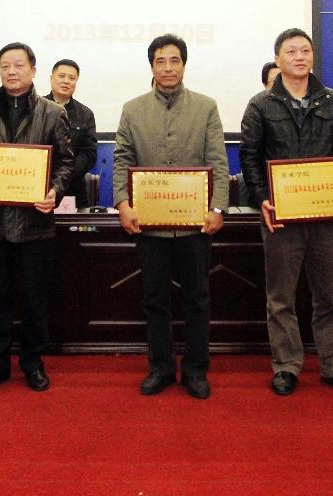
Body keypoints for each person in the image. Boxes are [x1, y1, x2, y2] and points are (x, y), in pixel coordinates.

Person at [240, 27, 333, 397]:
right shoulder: (261, 105)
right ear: (277, 60)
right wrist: (262, 198)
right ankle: (286, 365)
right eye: (291, 51)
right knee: (281, 298)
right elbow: (250, 157)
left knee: (331, 296)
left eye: (305, 50)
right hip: (280, 216)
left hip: (327, 214)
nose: (300, 56)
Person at [113, 34, 230, 400]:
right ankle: (161, 369)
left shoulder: (206, 107)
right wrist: (122, 203)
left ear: (184, 64)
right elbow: (122, 160)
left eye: (174, 60)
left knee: (197, 299)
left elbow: (218, 161)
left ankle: (196, 371)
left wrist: (218, 208)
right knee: (155, 301)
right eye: (160, 61)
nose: (168, 67)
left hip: (195, 225)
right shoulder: (132, 109)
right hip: (150, 226)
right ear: (151, 66)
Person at [0, 42, 74, 393]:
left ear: (33, 70)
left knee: (34, 301)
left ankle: (32, 363)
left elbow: (65, 162)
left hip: (34, 227)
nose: (11, 71)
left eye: (19, 65)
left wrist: (54, 190)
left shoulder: (53, 112)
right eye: (5, 66)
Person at [46, 59, 98, 208]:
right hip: (39, 187)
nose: (66, 81)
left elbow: (89, 154)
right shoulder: (35, 108)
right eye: (61, 76)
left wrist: (64, 176)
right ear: (51, 78)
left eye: (72, 78)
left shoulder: (85, 114)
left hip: (73, 188)